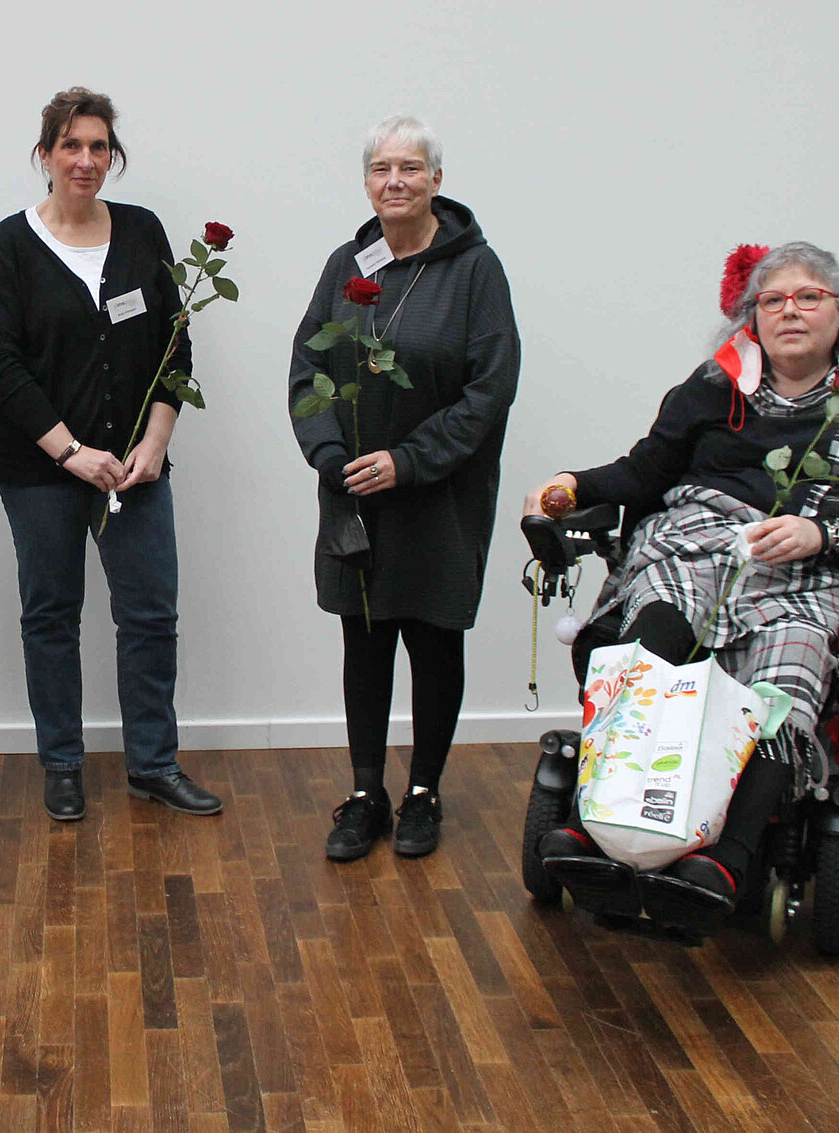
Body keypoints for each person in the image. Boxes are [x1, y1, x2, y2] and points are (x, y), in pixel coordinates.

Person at [526, 241, 839, 923]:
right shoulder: (716, 385)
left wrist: (821, 532)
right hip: (696, 543)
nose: (790, 311)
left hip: (808, 567)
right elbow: (645, 472)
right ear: (753, 315)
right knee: (655, 636)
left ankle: (727, 858)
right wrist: (571, 484)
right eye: (773, 299)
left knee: (793, 664)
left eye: (808, 297)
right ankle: (597, 822)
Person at [0, 86, 221, 823]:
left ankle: (153, 763)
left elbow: (176, 345)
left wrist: (155, 440)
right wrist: (71, 451)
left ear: (112, 155)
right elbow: (0, 361)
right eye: (71, 145)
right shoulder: (13, 242)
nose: (86, 160)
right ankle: (62, 763)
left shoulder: (144, 231)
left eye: (98, 146)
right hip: (41, 470)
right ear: (45, 154)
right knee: (51, 615)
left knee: (150, 615)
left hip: (136, 468)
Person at [286, 115, 519, 861]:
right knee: (365, 638)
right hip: (356, 493)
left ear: (437, 181)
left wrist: (409, 460)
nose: (395, 181)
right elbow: (307, 368)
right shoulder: (347, 263)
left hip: (437, 494)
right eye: (382, 168)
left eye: (411, 168)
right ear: (367, 181)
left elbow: (490, 390)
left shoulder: (476, 270)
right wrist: (330, 455)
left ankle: (422, 791)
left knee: (432, 637)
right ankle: (364, 793)